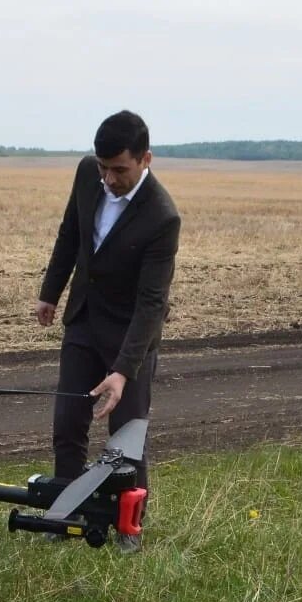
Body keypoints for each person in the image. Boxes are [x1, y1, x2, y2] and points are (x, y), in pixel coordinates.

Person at [34, 110, 181, 553]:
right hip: (83, 320)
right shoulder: (87, 174)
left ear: (145, 159)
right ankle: (65, 516)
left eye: (120, 169)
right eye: (103, 168)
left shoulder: (162, 216)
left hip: (129, 337)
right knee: (67, 425)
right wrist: (50, 292)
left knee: (126, 439)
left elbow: (151, 303)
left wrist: (122, 370)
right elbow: (70, 234)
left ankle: (127, 529)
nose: (109, 179)